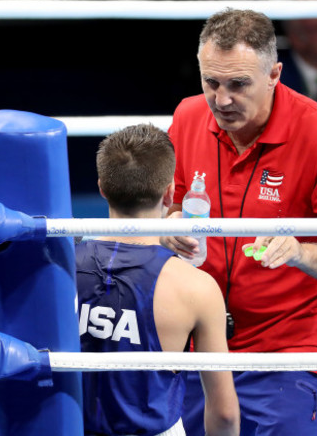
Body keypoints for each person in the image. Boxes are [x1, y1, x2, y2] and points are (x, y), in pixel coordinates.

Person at [160, 8, 317, 435]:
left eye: (239, 84)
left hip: (289, 352)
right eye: (212, 83)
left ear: (275, 73)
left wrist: (300, 250)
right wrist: (168, 226)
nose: (221, 100)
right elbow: (172, 207)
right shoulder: (187, 118)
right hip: (198, 343)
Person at [76, 124, 239, 436]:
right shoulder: (195, 288)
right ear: (170, 193)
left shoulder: (61, 268)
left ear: (101, 187)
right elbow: (225, 414)